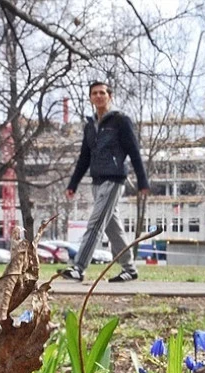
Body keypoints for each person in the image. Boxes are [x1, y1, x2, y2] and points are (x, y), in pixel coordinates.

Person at [62, 81, 149, 282]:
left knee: (95, 224)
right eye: (95, 93)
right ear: (90, 98)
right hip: (97, 180)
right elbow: (84, 157)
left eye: (102, 92)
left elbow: (134, 152)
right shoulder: (90, 126)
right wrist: (73, 184)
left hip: (114, 178)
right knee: (112, 227)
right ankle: (130, 269)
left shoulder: (120, 121)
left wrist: (143, 181)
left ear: (110, 96)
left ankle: (78, 268)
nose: (99, 96)